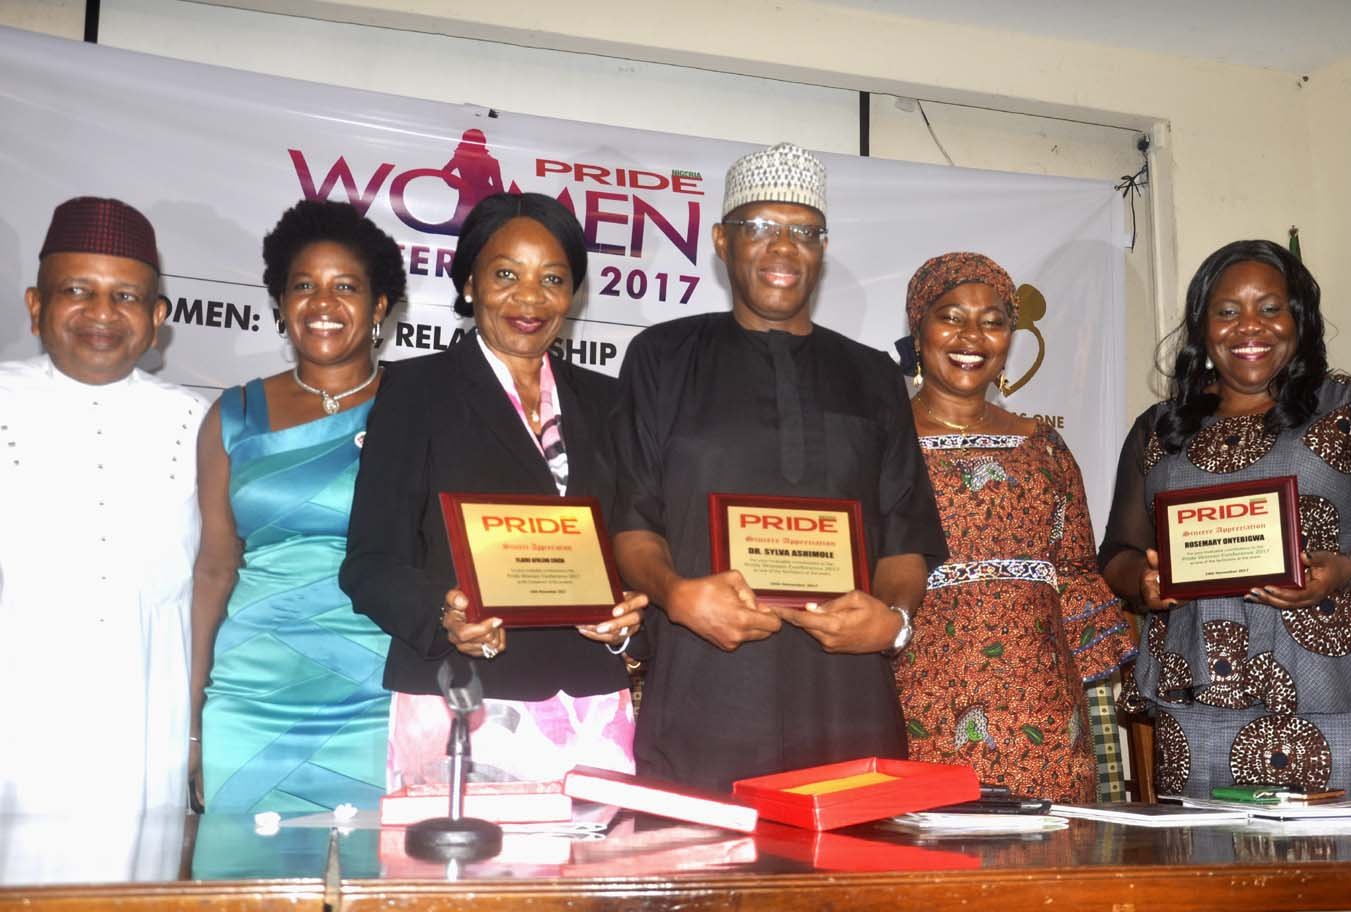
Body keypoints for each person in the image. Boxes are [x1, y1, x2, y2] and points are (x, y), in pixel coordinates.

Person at [612, 142, 948, 793]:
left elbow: (904, 532)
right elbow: (632, 519)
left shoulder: (873, 374)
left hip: (847, 702)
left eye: (805, 232)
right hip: (704, 694)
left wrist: (892, 621)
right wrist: (677, 595)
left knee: (853, 858)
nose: (784, 247)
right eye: (761, 226)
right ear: (722, 240)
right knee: (703, 858)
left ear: (823, 249)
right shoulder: (663, 358)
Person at [1099, 239, 1351, 797]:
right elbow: (1118, 552)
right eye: (1227, 311)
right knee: (1205, 850)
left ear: (1298, 318)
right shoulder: (1158, 429)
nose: (1249, 326)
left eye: (1270, 308)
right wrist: (1143, 582)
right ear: (1202, 328)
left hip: (1339, 683)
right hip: (1199, 694)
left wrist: (1345, 569)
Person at [340, 193, 647, 788]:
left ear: (573, 294)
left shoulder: (610, 403)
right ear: (469, 284)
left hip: (590, 708)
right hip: (459, 701)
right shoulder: (414, 392)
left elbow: (636, 546)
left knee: (593, 853)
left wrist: (631, 618)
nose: (529, 298)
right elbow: (369, 562)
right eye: (506, 275)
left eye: (552, 279)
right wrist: (444, 616)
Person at [891, 252, 1136, 802]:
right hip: (922, 699)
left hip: (1043, 709)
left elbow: (1075, 573)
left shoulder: (1043, 445)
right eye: (951, 317)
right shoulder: (883, 441)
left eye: (993, 320)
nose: (972, 336)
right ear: (919, 328)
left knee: (1052, 849)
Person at [191, 200, 405, 814]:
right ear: (281, 304)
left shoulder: (418, 407)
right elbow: (214, 569)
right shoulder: (233, 414)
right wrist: (195, 718)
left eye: (346, 287)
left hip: (380, 695)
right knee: (241, 871)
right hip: (249, 696)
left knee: (373, 873)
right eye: (304, 286)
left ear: (379, 306)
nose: (323, 303)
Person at [0, 196, 206, 813]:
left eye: (125, 296)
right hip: (15, 722)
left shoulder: (199, 423)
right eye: (76, 290)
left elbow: (219, 579)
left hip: (147, 727)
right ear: (36, 306)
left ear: (157, 316)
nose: (101, 313)